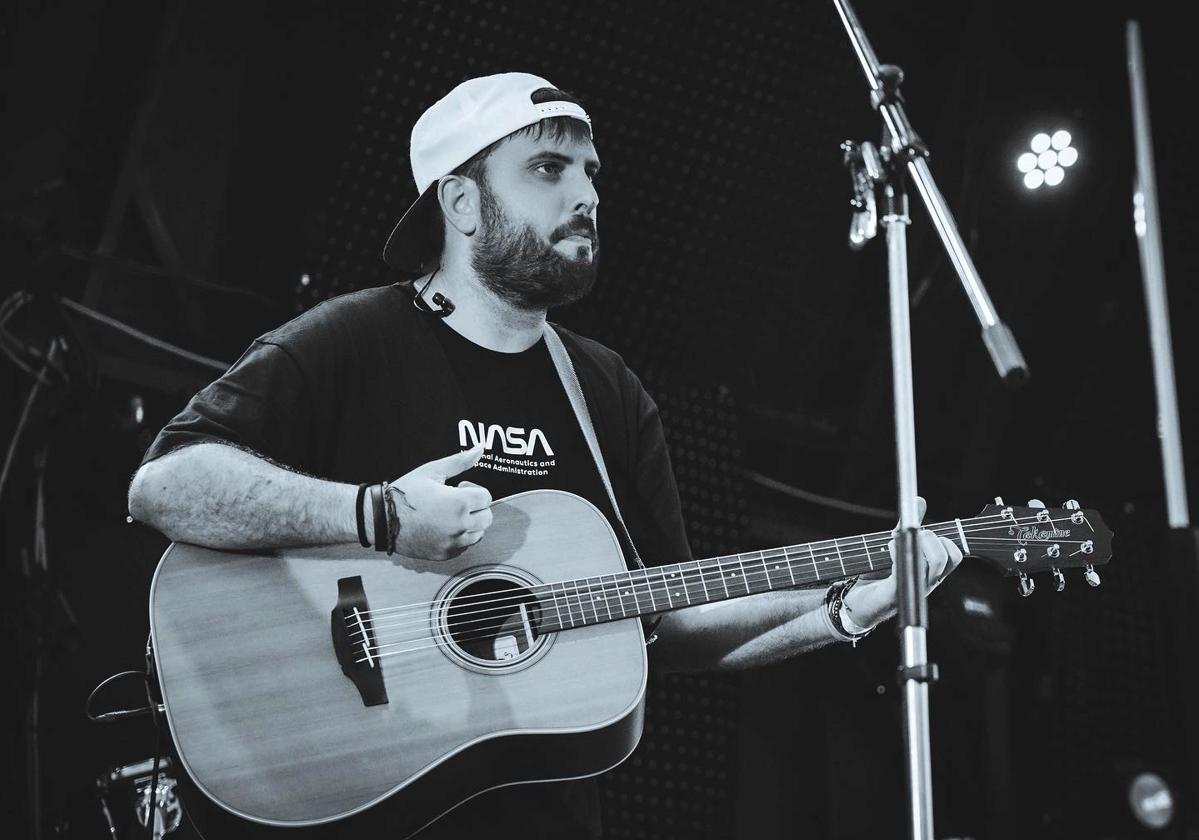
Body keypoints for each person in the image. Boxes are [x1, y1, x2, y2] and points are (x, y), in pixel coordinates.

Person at [127, 72, 961, 840]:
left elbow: (665, 620)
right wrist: (375, 515)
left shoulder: (606, 390)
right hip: (351, 795)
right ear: (460, 201)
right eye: (549, 169)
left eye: (591, 173)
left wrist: (854, 605)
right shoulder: (353, 339)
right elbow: (164, 484)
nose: (587, 195)